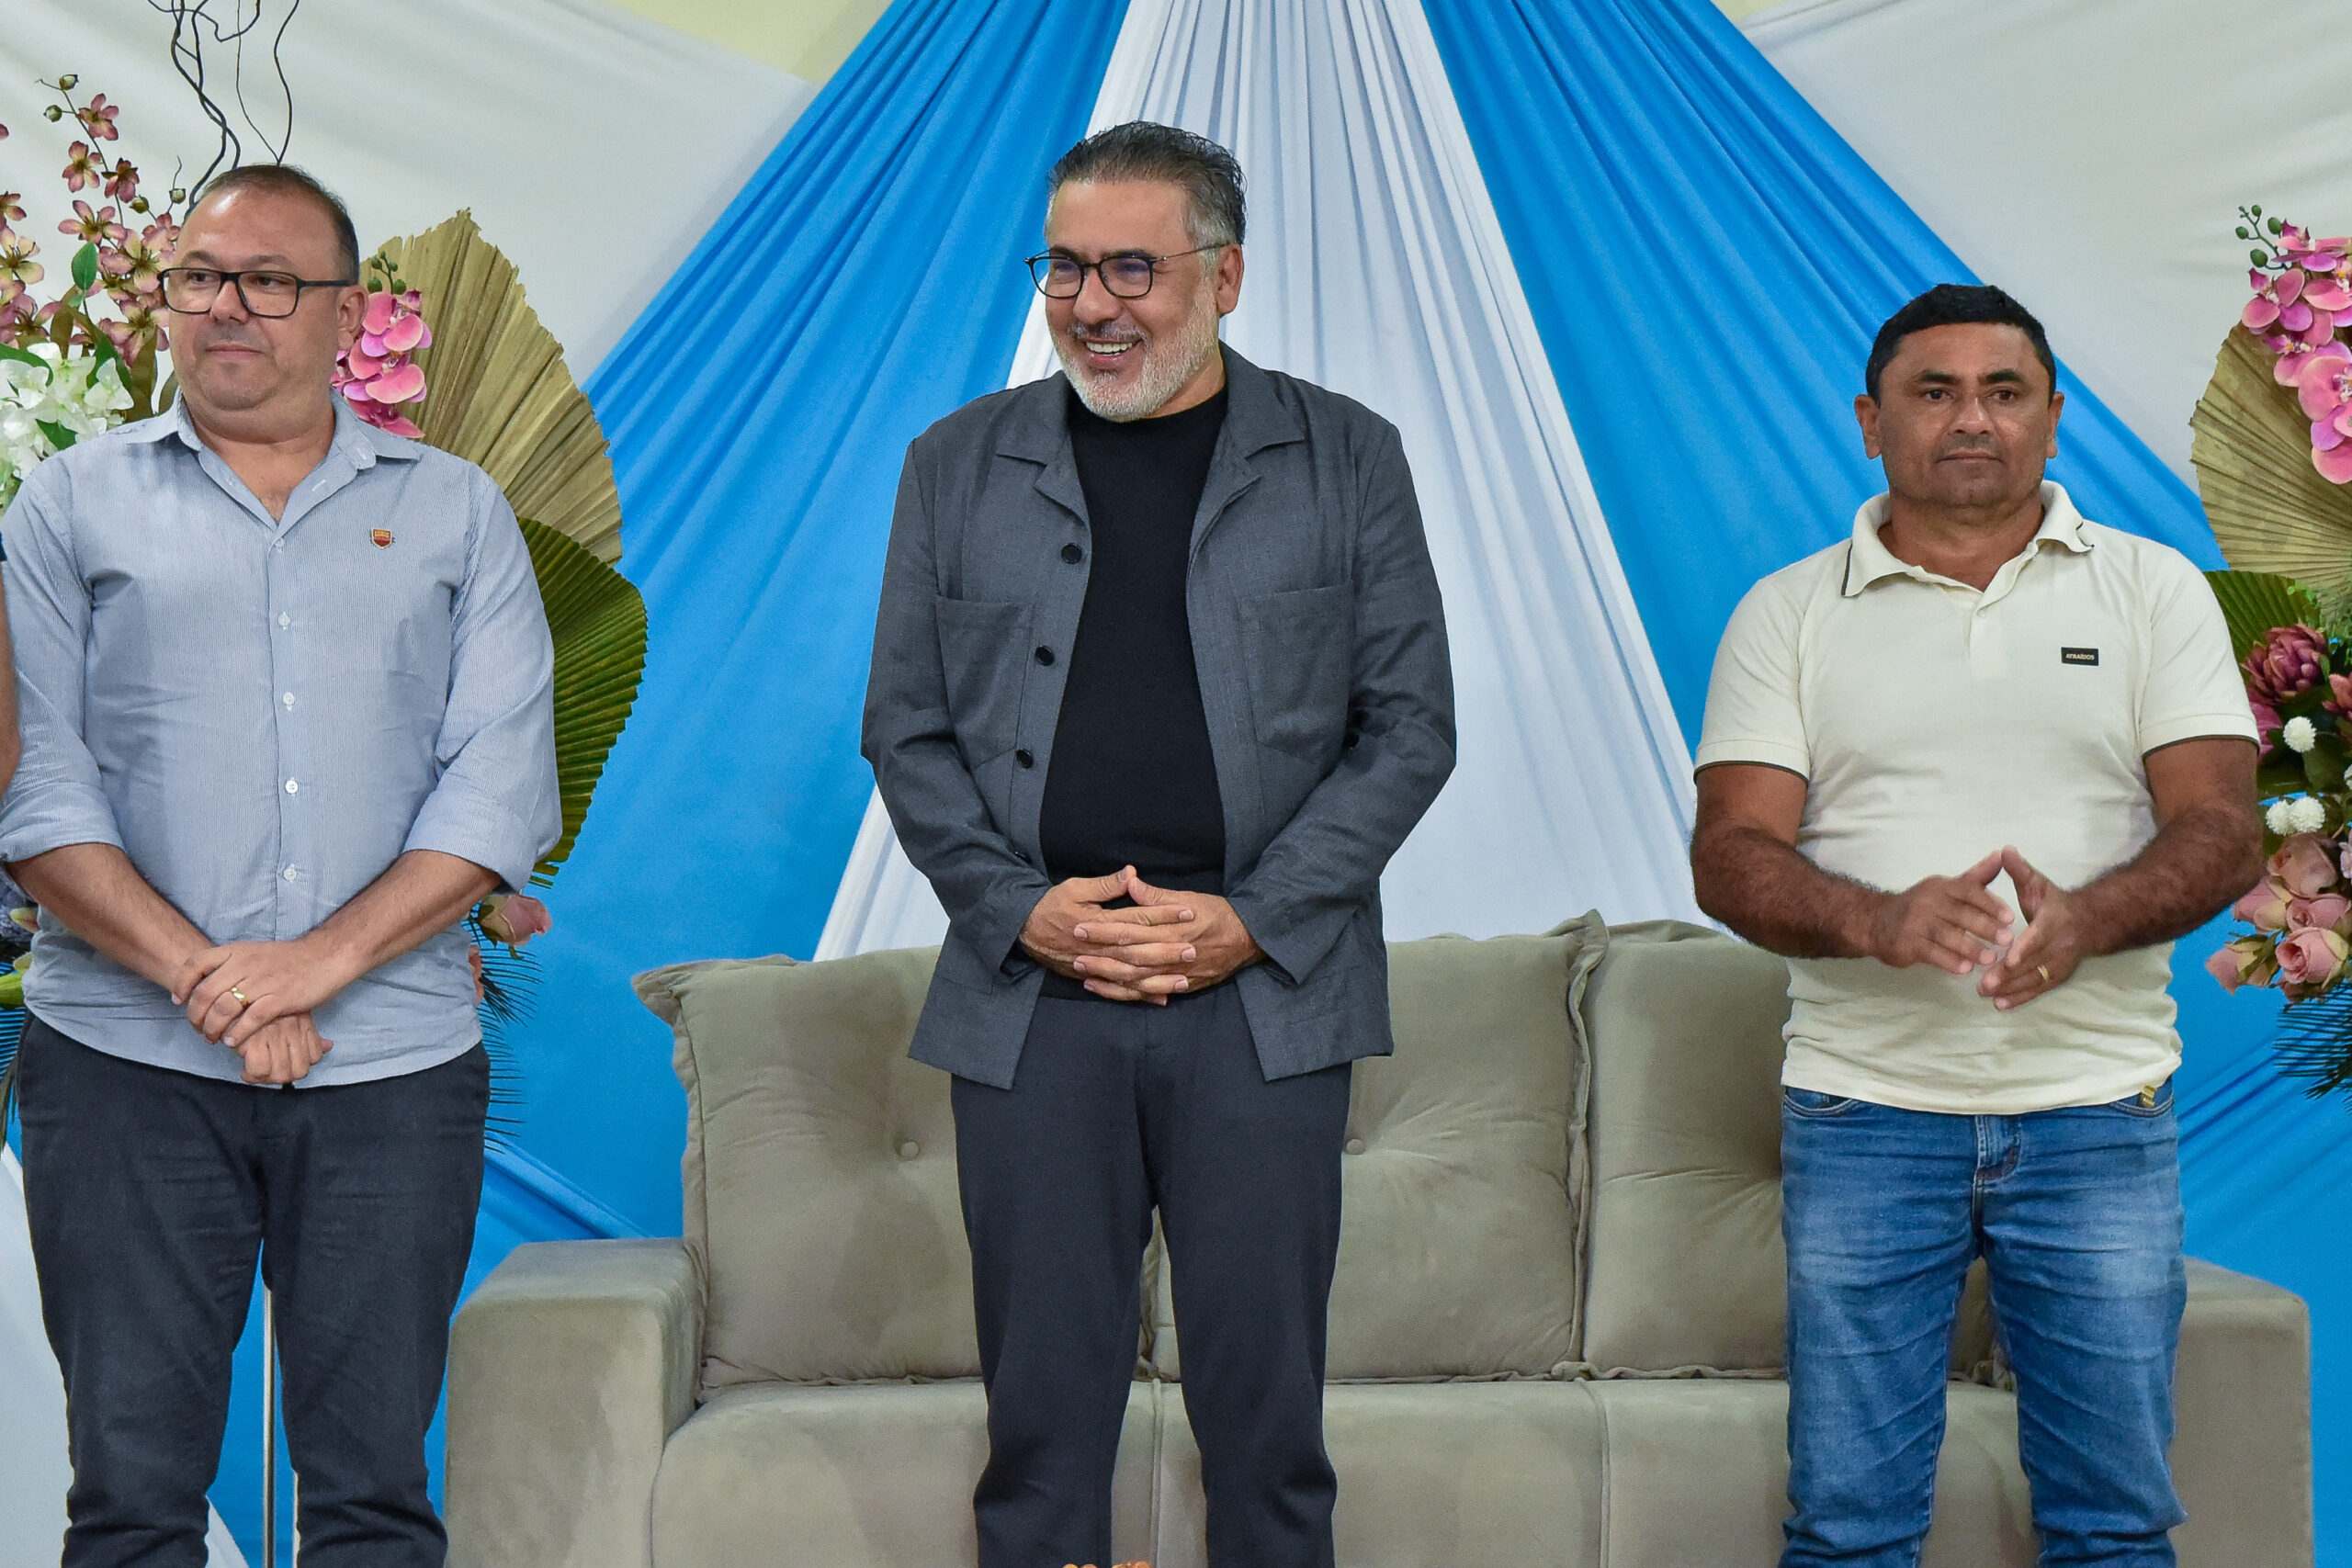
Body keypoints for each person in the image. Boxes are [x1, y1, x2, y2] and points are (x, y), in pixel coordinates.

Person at [862, 121, 1453, 1568]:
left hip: (1266, 1000)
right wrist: (1023, 911)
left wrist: (1252, 919)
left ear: (1224, 277)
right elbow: (906, 730)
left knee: (1268, 1431)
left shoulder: (1347, 457)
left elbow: (1409, 730)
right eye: (1065, 267)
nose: (1093, 303)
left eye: (1133, 267)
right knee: (1041, 1433)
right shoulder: (954, 464)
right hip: (1030, 998)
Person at [2, 164, 559, 1565]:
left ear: (347, 314)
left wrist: (317, 966)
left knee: (371, 1504)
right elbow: (32, 784)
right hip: (122, 1067)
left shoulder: (458, 512)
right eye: (199, 276)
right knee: (130, 1506)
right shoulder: (66, 506)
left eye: (269, 280)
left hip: (392, 1070)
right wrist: (215, 980)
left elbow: (500, 785)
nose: (226, 307)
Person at [1689, 283, 2261, 1567]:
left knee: (2115, 1526)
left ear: (2053, 418)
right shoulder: (1788, 611)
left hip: (2099, 1110)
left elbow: (2224, 829)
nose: (1971, 419)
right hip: (1864, 1114)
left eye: (2005, 392)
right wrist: (1877, 919)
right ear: (1870, 421)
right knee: (1849, 1528)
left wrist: (2090, 917)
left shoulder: (2155, 592)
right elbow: (1729, 856)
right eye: (1934, 392)